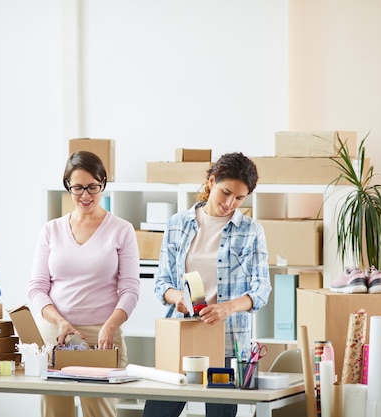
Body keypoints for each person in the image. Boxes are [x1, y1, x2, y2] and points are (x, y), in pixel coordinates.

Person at [142, 152, 272, 417]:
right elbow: (162, 281)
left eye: (239, 198)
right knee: (156, 413)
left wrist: (227, 308)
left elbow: (261, 290)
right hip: (181, 337)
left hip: (227, 342)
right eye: (225, 193)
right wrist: (174, 295)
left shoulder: (251, 230)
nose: (230, 203)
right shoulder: (177, 224)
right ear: (211, 182)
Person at [28, 150, 140, 417]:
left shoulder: (121, 230)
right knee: (55, 412)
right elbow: (37, 287)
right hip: (56, 334)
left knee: (99, 411)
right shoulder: (51, 230)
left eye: (92, 187)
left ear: (103, 183)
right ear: (68, 186)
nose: (85, 196)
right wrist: (59, 322)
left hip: (103, 335)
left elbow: (130, 288)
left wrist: (110, 325)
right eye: (77, 188)